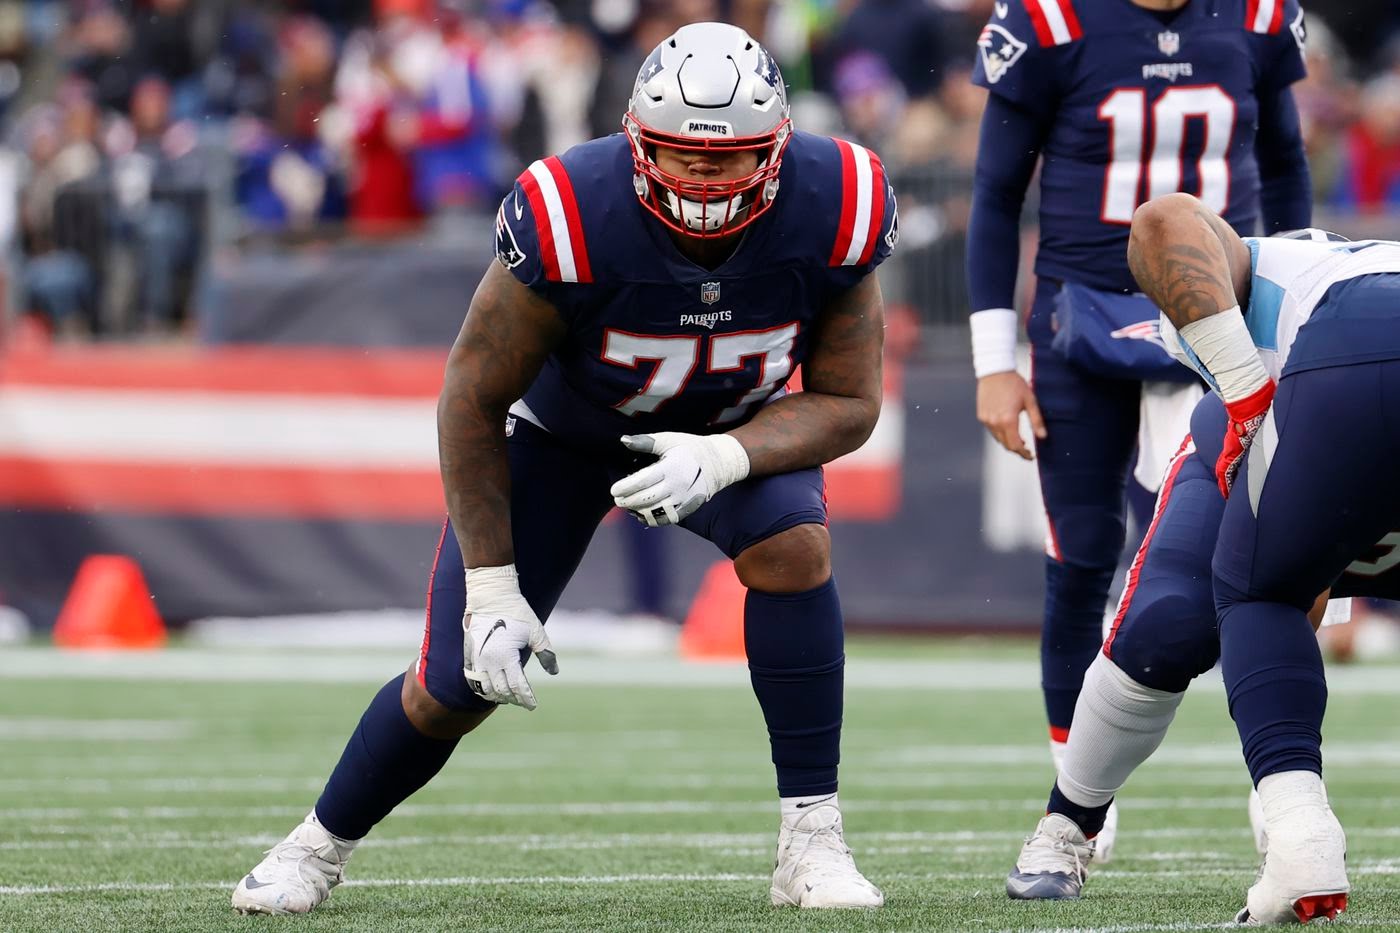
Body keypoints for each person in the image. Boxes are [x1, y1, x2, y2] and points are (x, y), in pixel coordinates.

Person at [231, 22, 896, 915]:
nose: (703, 180)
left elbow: (851, 402)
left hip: (735, 432)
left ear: (777, 149)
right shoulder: (569, 207)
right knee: (452, 687)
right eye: (677, 157)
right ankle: (316, 845)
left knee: (794, 550)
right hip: (564, 435)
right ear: (636, 143)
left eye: (731, 159)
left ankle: (811, 837)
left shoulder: (838, 199)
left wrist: (728, 452)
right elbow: (469, 396)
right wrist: (493, 586)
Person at [965, 0, 1312, 858]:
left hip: (1221, 318)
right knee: (1081, 553)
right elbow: (996, 194)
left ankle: (1282, 782)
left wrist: (1298, 308)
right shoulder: (1047, 24)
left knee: (1275, 552)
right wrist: (992, 360)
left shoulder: (1259, 17)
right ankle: (1078, 789)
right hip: (1078, 323)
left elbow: (1287, 163)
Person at [1009, 203, 1400, 924]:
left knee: (1256, 594)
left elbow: (1162, 222)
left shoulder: (1280, 273)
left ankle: (1298, 836)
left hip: (1336, 371)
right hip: (1313, 412)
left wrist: (1245, 391)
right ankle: (1068, 823)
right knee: (1168, 621)